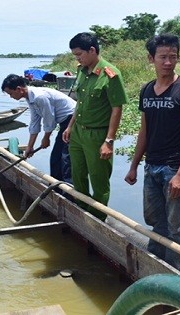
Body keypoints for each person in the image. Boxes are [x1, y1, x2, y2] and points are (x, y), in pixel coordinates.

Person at [124, 34, 180, 270]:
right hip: (152, 166)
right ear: (151, 59)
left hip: (174, 167)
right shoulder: (147, 90)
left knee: (176, 226)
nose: (168, 62)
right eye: (163, 57)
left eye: (173, 57)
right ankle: (153, 265)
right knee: (154, 220)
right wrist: (134, 165)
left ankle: (172, 274)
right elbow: (144, 131)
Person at [62, 32, 129, 220]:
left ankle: (97, 220)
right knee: (78, 176)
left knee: (99, 181)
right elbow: (80, 103)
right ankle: (82, 212)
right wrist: (70, 127)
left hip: (97, 135)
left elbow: (117, 108)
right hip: (78, 133)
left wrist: (109, 141)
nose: (78, 58)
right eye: (75, 56)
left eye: (79, 54)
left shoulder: (110, 75)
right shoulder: (82, 71)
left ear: (92, 50)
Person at [1, 74, 75, 183]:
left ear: (19, 89)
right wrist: (30, 147)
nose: (11, 97)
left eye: (11, 93)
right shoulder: (30, 98)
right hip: (64, 122)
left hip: (72, 121)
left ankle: (68, 193)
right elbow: (35, 123)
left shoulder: (39, 97)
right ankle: (56, 188)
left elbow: (49, 120)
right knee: (55, 159)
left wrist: (46, 138)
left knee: (65, 159)